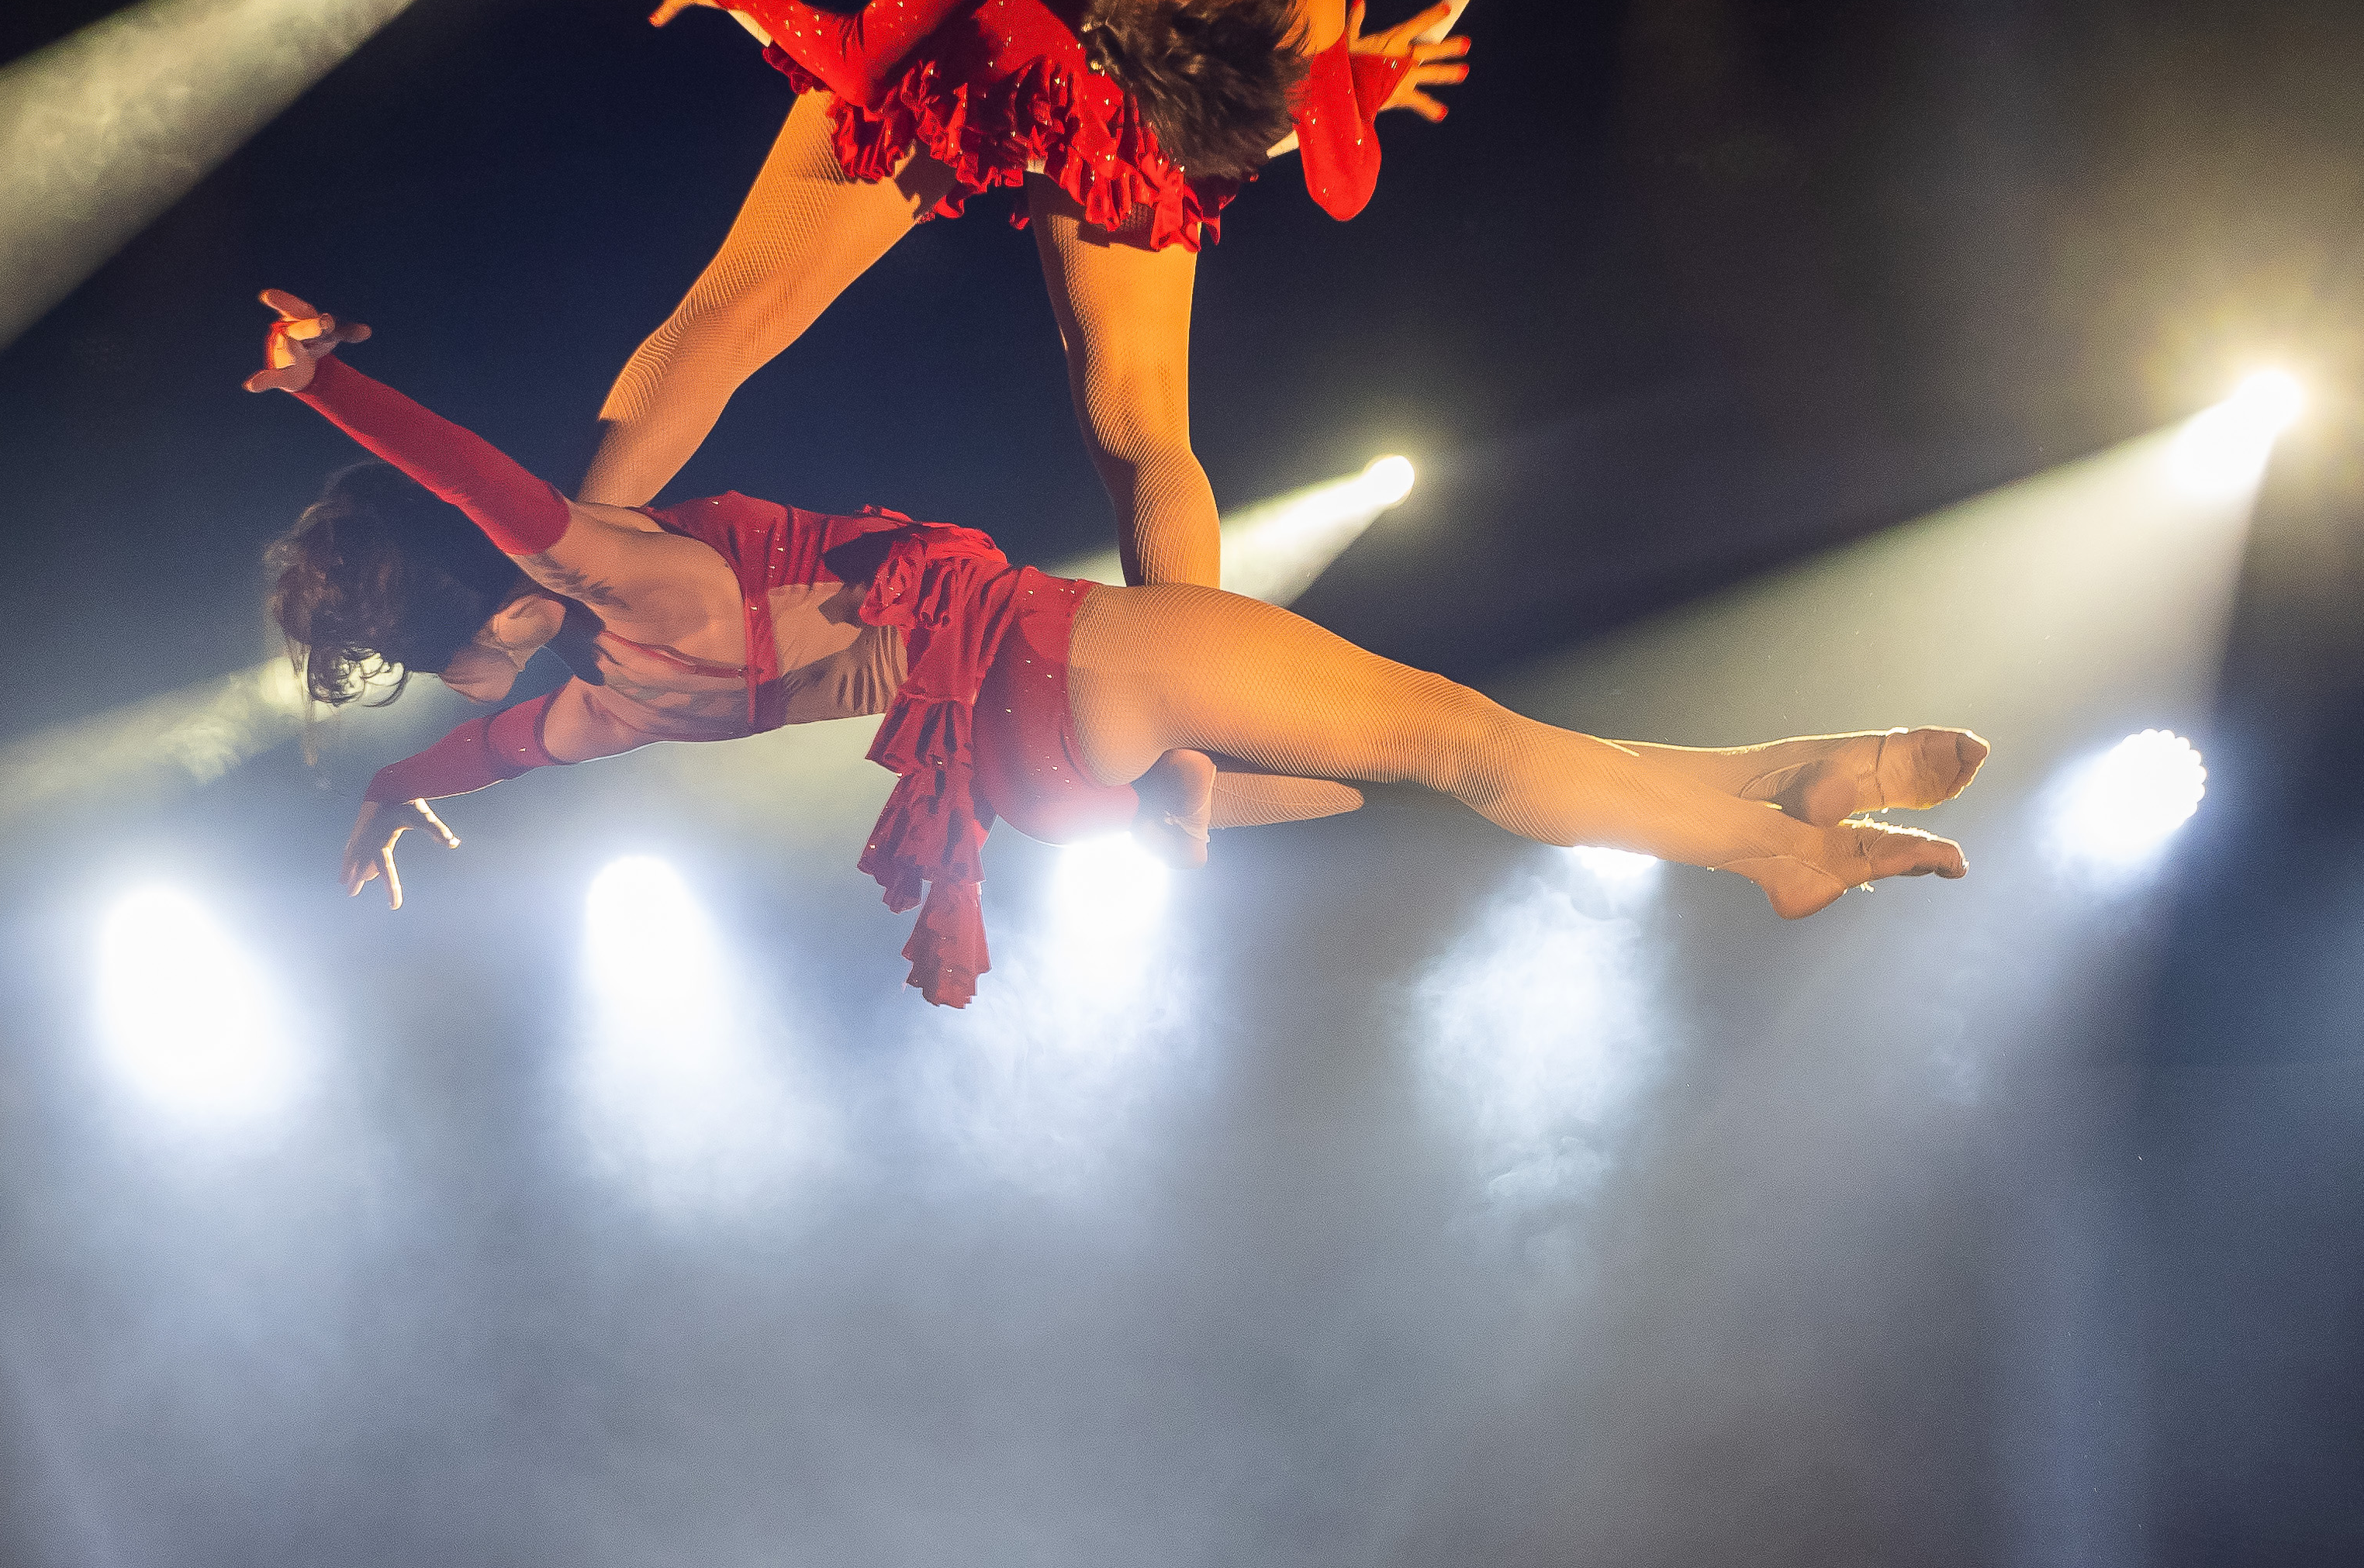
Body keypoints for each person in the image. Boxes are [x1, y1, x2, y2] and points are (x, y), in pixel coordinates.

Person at [248, 293, 1982, 1009]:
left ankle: (1781, 780)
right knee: (1461, 740)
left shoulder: (607, 706)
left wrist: (400, 783)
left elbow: (475, 741)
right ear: (489, 580)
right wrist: (327, 383)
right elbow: (481, 489)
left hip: (1043, 785)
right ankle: (1775, 851)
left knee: (1437, 763)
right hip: (1068, 667)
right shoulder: (624, 585)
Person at [593, 0, 1471, 851]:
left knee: (1126, 420)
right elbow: (1344, 177)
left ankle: (1183, 739)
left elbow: (863, 64)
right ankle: (567, 576)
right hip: (1086, 61)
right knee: (771, 317)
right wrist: (1340, 80)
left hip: (1095, 75)